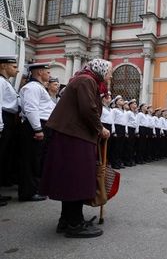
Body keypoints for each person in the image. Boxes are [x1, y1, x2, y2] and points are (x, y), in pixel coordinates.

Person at [39, 58, 112, 238]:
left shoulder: (84, 79)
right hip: (74, 136)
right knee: (77, 178)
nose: (110, 75)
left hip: (72, 135)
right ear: (100, 70)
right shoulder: (87, 81)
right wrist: (100, 128)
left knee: (71, 179)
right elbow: (88, 109)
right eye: (109, 71)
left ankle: (67, 219)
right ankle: (74, 224)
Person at [19, 62, 56, 202]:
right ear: (40, 72)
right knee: (31, 159)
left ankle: (35, 188)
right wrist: (38, 129)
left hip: (41, 124)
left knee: (37, 158)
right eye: (48, 71)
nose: (49, 74)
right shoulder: (32, 87)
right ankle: (28, 192)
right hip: (35, 125)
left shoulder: (38, 87)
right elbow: (31, 109)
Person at [0, 55, 19, 206]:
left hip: (8, 119)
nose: (17, 70)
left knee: (4, 156)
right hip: (4, 119)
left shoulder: (6, 82)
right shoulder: (0, 82)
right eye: (13, 66)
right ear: (3, 66)